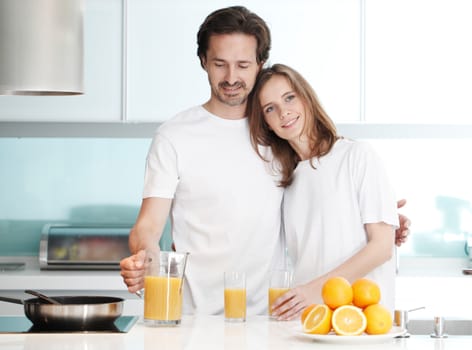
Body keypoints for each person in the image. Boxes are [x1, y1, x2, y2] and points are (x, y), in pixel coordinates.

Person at [119, 6, 410, 316]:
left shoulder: (278, 137)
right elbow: (148, 226)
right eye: (220, 64)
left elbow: (322, 195)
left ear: (260, 64)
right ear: (204, 61)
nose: (231, 77)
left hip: (271, 316)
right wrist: (144, 257)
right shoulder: (174, 136)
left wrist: (379, 217)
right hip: (195, 316)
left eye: (243, 64)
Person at [247, 63, 399, 320]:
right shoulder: (286, 181)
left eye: (289, 98)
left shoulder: (356, 155)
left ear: (306, 98)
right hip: (310, 323)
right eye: (270, 109)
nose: (284, 112)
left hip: (360, 322)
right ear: (267, 124)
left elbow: (382, 247)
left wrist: (315, 290)